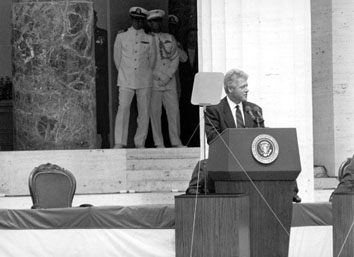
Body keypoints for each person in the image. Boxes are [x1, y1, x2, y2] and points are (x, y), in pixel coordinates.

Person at [186, 68, 301, 203]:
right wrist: (237, 140)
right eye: (243, 87)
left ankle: (290, 191)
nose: (247, 89)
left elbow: (262, 134)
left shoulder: (254, 109)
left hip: (253, 157)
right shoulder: (214, 110)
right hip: (228, 157)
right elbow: (212, 137)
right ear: (230, 89)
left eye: (247, 86)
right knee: (204, 165)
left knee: (280, 158)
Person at [113, 7, 156, 148]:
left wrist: (142, 73)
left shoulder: (150, 38)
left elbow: (152, 60)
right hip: (126, 79)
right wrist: (126, 72)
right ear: (131, 19)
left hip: (144, 79)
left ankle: (140, 142)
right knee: (123, 109)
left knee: (144, 112)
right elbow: (117, 59)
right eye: (135, 19)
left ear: (143, 21)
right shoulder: (122, 36)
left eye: (140, 20)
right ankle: (119, 142)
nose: (138, 22)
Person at [147, 9, 184, 148]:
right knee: (155, 114)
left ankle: (176, 141)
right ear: (149, 23)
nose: (157, 24)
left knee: (173, 112)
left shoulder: (169, 37)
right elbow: (144, 62)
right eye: (154, 21)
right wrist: (158, 76)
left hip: (169, 81)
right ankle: (159, 143)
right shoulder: (145, 39)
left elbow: (175, 58)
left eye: (158, 21)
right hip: (154, 81)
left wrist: (167, 75)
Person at [179, 28, 200, 147]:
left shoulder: (201, 51)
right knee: (185, 115)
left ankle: (195, 141)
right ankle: (185, 140)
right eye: (191, 35)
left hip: (197, 89)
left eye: (195, 36)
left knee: (195, 115)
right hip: (184, 88)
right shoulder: (182, 51)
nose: (193, 38)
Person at [93, 10, 110, 148]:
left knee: (103, 108)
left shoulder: (103, 34)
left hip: (101, 77)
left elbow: (107, 55)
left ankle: (105, 138)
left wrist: (99, 68)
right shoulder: (80, 36)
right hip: (85, 78)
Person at [168, 14, 188, 100]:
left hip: (174, 80)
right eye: (170, 26)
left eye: (174, 27)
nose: (172, 29)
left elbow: (184, 58)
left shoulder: (177, 43)